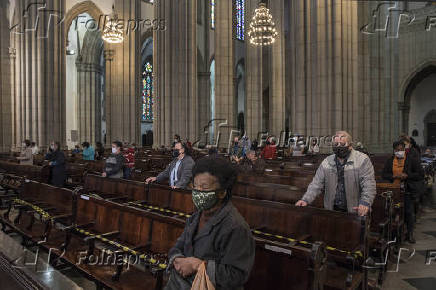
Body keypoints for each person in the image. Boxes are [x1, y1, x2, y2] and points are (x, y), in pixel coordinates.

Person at [165, 157, 255, 289]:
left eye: (204, 187)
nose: (197, 191)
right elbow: (178, 246)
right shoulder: (196, 216)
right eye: (195, 186)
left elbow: (237, 275)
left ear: (222, 192)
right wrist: (177, 259)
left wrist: (198, 265)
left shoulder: (236, 227)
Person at [296, 131, 376, 216]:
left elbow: (369, 184)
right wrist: (305, 200)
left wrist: (365, 202)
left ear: (350, 146)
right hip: (332, 211)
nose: (338, 147)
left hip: (354, 211)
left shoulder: (362, 160)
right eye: (336, 144)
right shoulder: (327, 161)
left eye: (342, 144)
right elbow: (316, 184)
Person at [382, 141, 424, 243]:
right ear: (394, 150)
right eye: (397, 150)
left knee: (408, 212)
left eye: (401, 149)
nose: (399, 151)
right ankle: (394, 234)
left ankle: (410, 234)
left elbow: (420, 174)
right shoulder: (390, 160)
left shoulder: (411, 159)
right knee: (393, 212)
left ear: (404, 150)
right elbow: (384, 174)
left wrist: (407, 175)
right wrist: (394, 176)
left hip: (408, 189)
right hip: (394, 189)